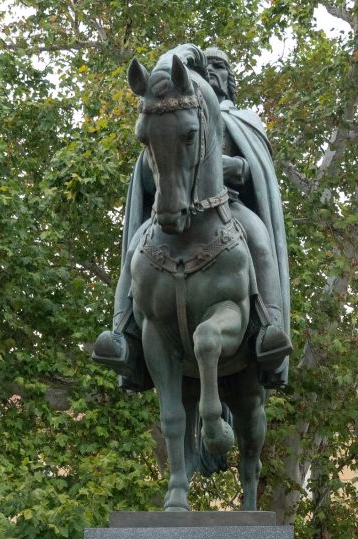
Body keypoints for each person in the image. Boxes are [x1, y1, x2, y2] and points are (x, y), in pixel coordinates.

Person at [92, 43, 292, 392]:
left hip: (225, 206)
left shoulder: (243, 119)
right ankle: (124, 333)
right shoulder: (175, 110)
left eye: (222, 67)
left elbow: (256, 170)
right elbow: (152, 164)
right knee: (136, 245)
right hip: (175, 205)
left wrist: (231, 166)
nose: (214, 72)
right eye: (208, 66)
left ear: (231, 81)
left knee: (259, 238)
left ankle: (267, 327)